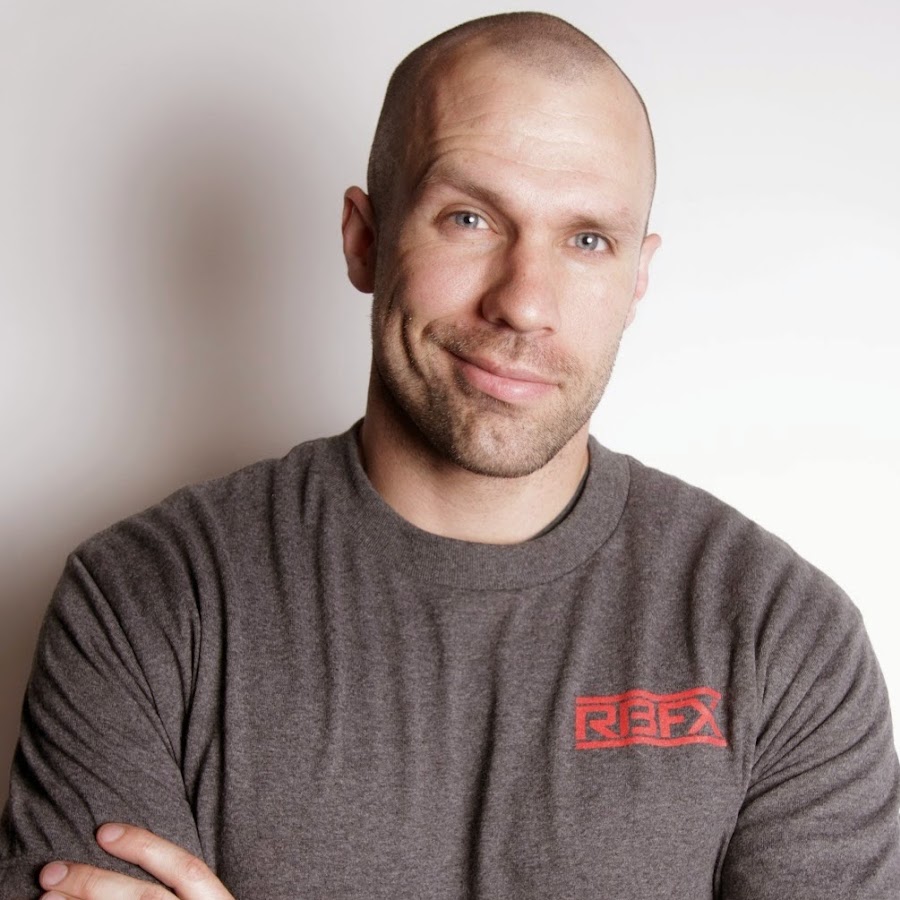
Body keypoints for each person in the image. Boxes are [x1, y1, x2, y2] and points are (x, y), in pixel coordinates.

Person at [2, 11, 898, 900]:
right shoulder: (147, 603)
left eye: (588, 239)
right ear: (365, 238)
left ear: (637, 277)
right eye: (470, 218)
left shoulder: (781, 637)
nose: (525, 303)